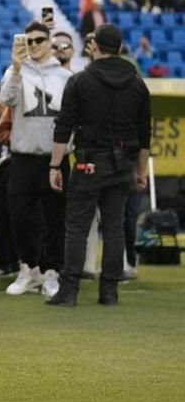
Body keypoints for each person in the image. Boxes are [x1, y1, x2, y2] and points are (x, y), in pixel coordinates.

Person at [46, 24, 151, 307]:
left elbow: (63, 128)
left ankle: (68, 292)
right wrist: (140, 171)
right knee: (114, 227)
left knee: (77, 227)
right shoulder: (138, 84)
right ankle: (109, 292)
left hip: (88, 162)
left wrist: (55, 166)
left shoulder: (80, 81)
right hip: (122, 165)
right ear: (120, 48)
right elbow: (144, 136)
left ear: (93, 47)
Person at [0, 22, 73, 298]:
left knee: (56, 219)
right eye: (29, 41)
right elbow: (6, 98)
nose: (34, 45)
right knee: (20, 217)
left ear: (49, 41)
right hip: (24, 156)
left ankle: (51, 271)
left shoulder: (65, 77)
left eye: (39, 40)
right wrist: (17, 69)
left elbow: (72, 117)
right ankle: (28, 268)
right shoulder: (14, 71)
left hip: (54, 158)